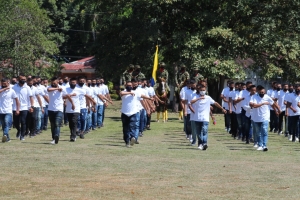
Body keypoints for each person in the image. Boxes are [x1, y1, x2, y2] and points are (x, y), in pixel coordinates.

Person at [190, 84, 226, 150]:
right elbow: (191, 102)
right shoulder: (195, 96)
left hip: (205, 118)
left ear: (205, 90)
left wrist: (222, 109)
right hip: (197, 118)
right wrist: (199, 98)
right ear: (199, 90)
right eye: (201, 90)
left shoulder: (208, 97)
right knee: (198, 132)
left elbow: (215, 103)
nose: (202, 91)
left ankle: (204, 143)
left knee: (205, 130)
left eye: (203, 90)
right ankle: (200, 143)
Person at [250, 86, 280, 151]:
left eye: (263, 92)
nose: (262, 93)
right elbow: (253, 105)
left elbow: (273, 104)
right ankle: (260, 145)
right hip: (256, 118)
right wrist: (263, 103)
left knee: (264, 131)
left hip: (265, 117)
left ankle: (264, 145)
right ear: (258, 92)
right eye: (260, 92)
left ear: (265, 92)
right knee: (258, 132)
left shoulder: (267, 97)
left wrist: (277, 110)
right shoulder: (254, 97)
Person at [47, 77, 74, 144]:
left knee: (57, 123)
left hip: (59, 109)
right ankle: (53, 138)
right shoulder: (49, 87)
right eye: (52, 82)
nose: (53, 83)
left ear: (57, 82)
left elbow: (66, 96)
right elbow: (48, 90)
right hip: (51, 109)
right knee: (52, 125)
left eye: (54, 82)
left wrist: (72, 103)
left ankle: (57, 136)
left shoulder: (63, 88)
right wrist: (57, 89)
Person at [12, 74, 34, 141]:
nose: (23, 80)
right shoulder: (14, 87)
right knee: (16, 122)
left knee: (23, 121)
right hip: (15, 107)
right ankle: (18, 130)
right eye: (22, 79)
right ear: (18, 80)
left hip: (25, 107)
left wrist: (31, 106)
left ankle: (22, 135)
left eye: (24, 79)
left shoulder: (27, 88)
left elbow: (31, 97)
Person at [0, 78, 20, 143]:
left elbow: (17, 100)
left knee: (6, 123)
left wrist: (17, 109)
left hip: (8, 110)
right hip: (1, 111)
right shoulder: (1, 89)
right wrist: (5, 89)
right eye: (2, 84)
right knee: (3, 125)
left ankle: (5, 134)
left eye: (5, 84)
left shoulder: (12, 91)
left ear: (8, 83)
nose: (3, 85)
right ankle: (7, 138)